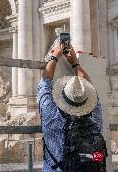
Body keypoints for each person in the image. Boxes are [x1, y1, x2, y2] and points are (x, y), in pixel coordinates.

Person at [38, 43, 104, 172]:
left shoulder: (52, 117)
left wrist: (54, 57)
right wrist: (76, 63)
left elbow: (44, 84)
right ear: (87, 98)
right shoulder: (95, 118)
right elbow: (87, 85)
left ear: (62, 97)